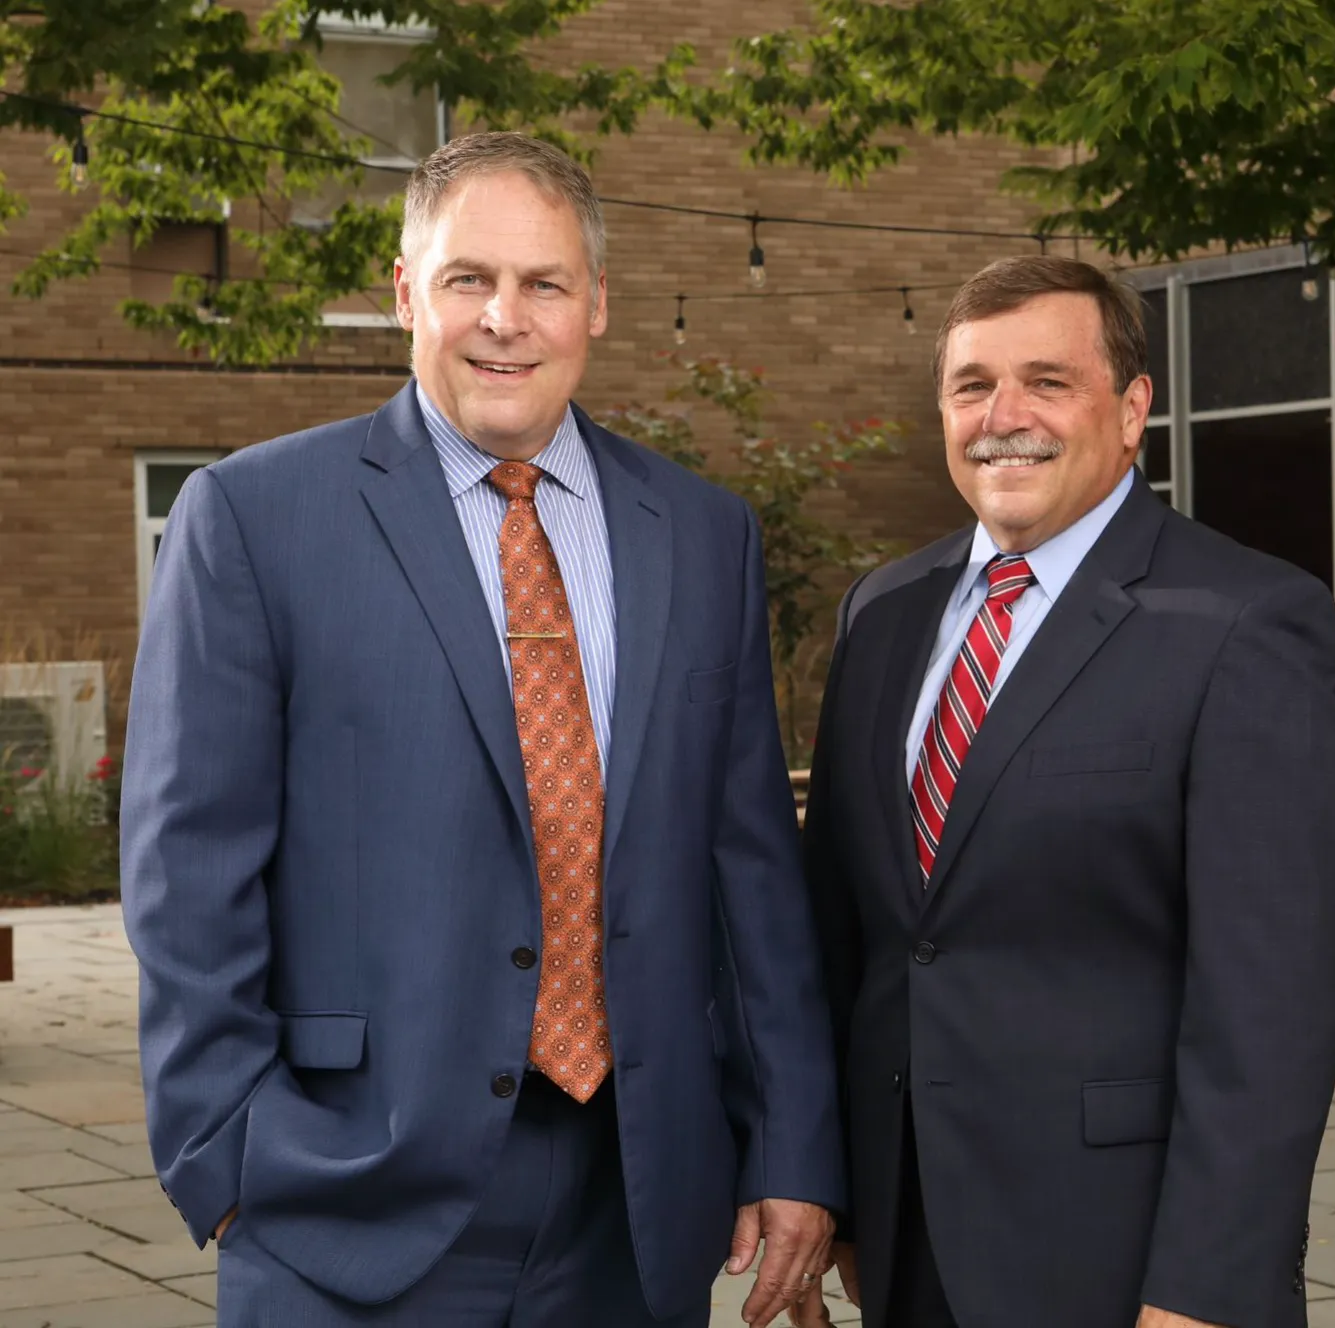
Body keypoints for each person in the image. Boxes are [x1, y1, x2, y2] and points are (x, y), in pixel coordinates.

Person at [120, 131, 843, 1328]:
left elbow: (752, 877)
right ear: (407, 293)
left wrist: (793, 1145)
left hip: (636, 1200)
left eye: (544, 283)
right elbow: (187, 873)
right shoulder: (253, 517)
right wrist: (225, 1151)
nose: (506, 317)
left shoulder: (705, 536)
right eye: (470, 279)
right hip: (346, 1192)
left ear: (596, 303)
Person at [794, 256, 1335, 1328]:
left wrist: (1207, 1288)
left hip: (1119, 1257)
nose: (1003, 416)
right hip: (907, 1245)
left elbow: (1272, 1011)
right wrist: (840, 1200)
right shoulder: (882, 613)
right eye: (972, 385)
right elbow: (846, 940)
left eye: (1047, 381)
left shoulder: (1244, 622)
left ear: (1133, 406)